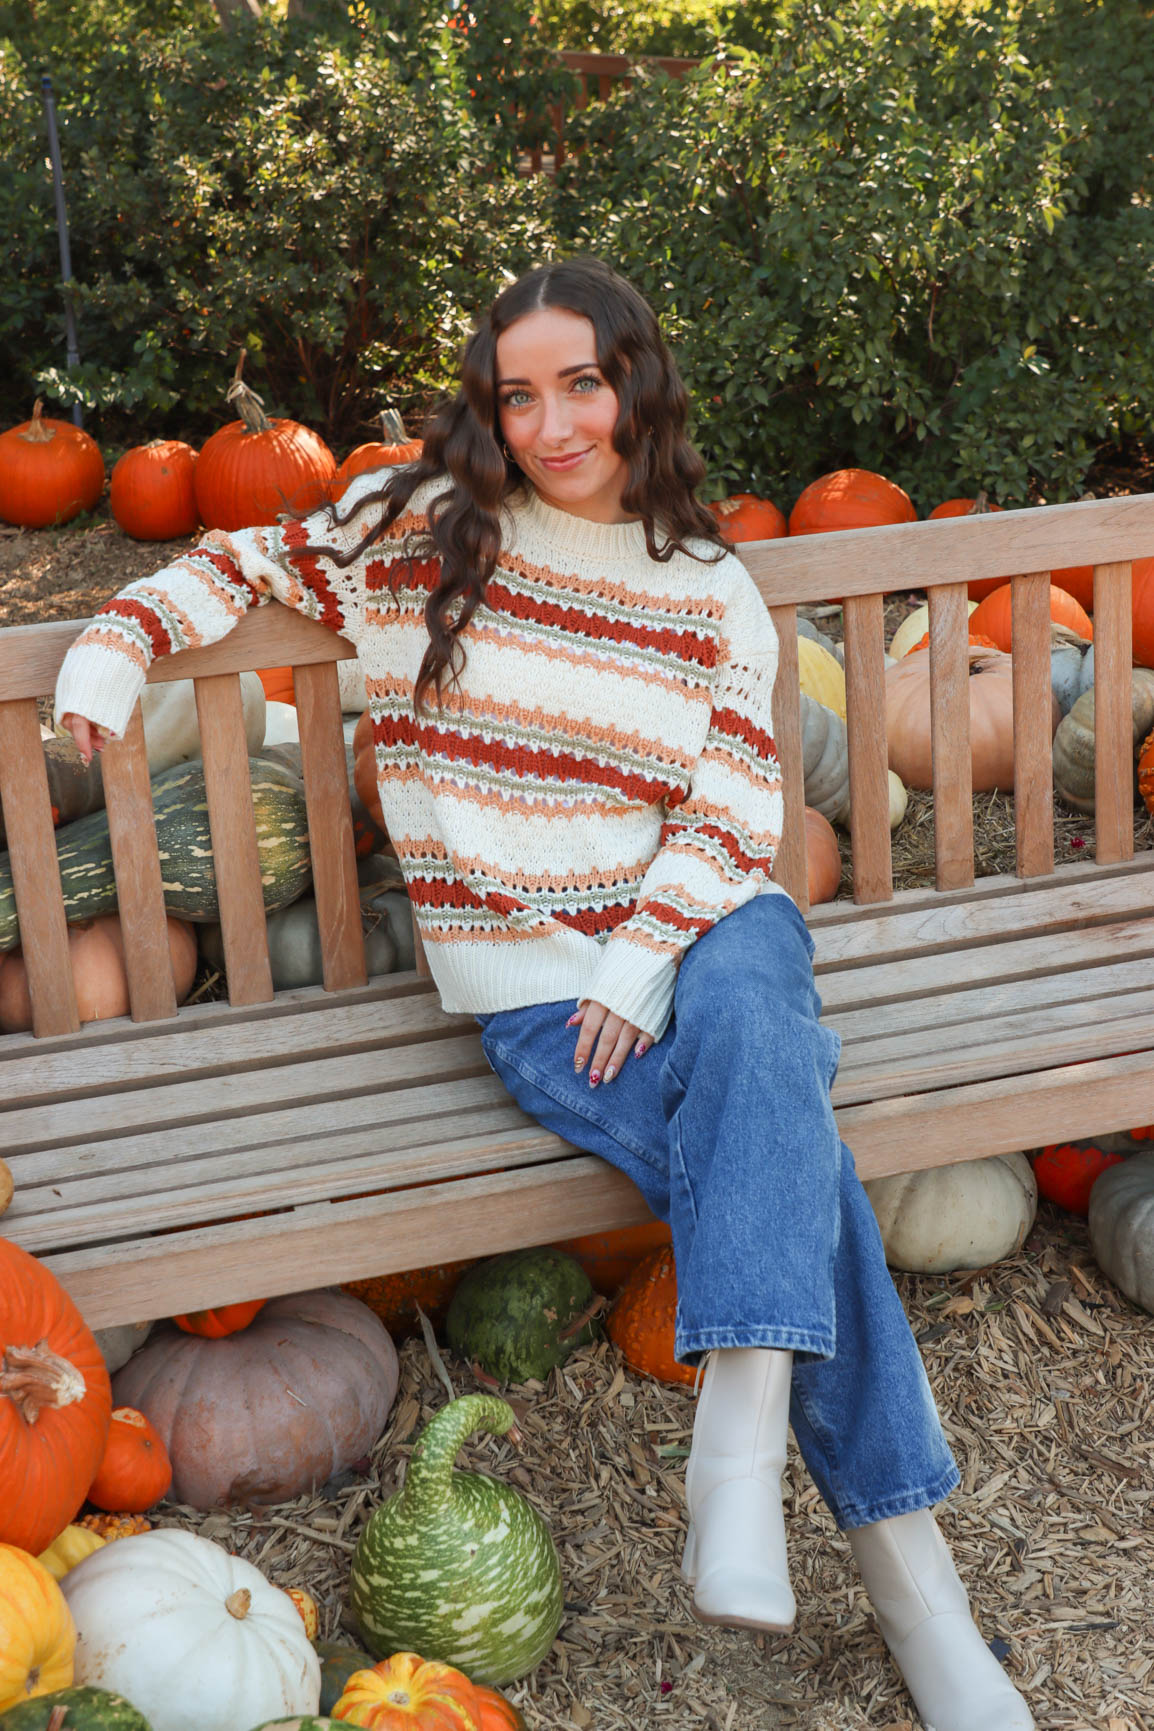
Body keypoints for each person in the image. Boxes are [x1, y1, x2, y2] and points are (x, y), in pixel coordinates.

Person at [57, 257, 1034, 1731]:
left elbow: (731, 813)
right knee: (798, 1164)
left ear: (635, 378)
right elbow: (236, 566)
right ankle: (912, 1585)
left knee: (755, 975)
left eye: (579, 382)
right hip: (537, 994)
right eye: (518, 394)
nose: (553, 423)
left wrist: (645, 966)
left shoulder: (710, 588)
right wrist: (110, 646)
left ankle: (741, 1437)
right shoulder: (418, 536)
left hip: (696, 938)